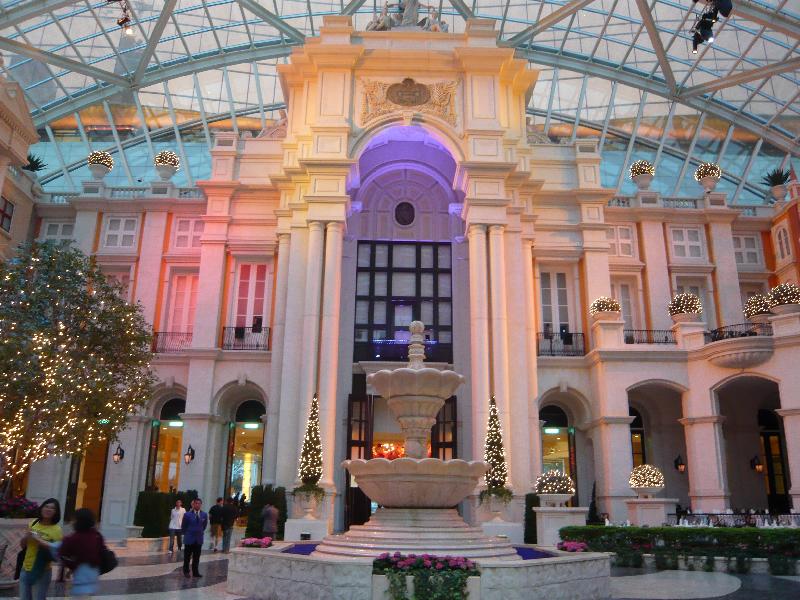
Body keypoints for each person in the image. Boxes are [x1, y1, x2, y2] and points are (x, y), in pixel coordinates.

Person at [19, 498, 63, 600]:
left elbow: (57, 553)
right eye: (46, 506)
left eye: (52, 508)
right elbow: (23, 546)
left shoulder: (57, 530)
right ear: (42, 508)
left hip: (42, 571)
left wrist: (40, 540)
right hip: (25, 568)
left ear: (56, 512)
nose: (48, 509)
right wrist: (26, 537)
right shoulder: (33, 523)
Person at [58, 508, 105, 599]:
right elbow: (99, 554)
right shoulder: (97, 536)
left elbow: (62, 554)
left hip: (81, 580)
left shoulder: (72, 539)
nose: (71, 522)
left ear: (78, 521)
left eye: (73, 519)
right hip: (93, 578)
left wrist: (72, 566)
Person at [181, 498, 208, 578]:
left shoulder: (204, 514)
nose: (198, 505)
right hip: (189, 538)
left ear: (201, 505)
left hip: (198, 539)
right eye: (196, 503)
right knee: (187, 557)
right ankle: (186, 571)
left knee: (196, 557)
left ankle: (195, 572)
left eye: (199, 503)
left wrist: (199, 531)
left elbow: (204, 526)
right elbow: (184, 526)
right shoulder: (187, 514)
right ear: (193, 504)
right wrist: (188, 533)